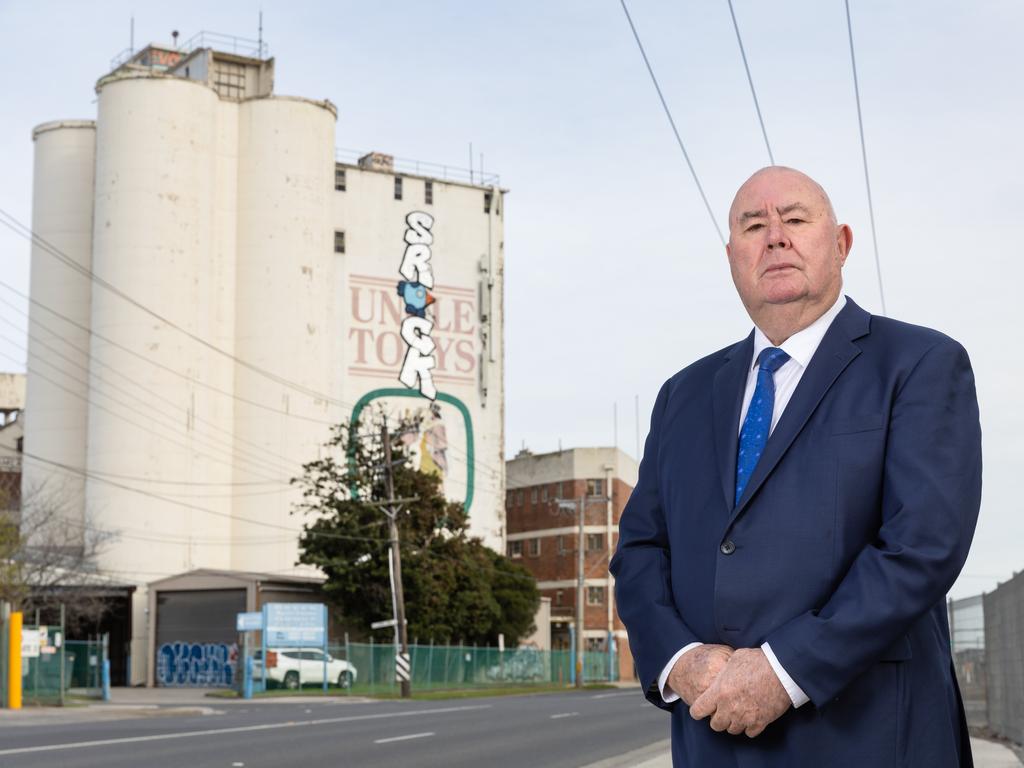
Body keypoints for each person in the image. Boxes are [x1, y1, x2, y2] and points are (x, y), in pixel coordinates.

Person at [609, 166, 981, 768]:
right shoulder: (682, 394)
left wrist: (785, 670)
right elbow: (641, 549)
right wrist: (680, 659)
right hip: (712, 737)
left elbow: (921, 545)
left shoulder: (919, 363)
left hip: (870, 736)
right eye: (753, 226)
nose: (775, 237)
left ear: (841, 244)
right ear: (732, 257)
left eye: (796, 219)